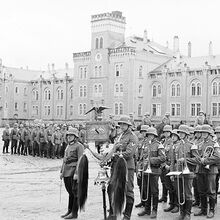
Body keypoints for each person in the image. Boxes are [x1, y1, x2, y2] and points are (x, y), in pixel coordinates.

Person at [102, 115, 138, 220]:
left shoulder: (133, 137)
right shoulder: (119, 136)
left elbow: (129, 153)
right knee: (111, 188)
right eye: (121, 124)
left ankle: (127, 215)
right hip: (116, 166)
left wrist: (115, 154)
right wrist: (106, 157)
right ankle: (113, 212)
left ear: (128, 125)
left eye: (124, 124)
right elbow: (114, 149)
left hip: (127, 167)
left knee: (128, 190)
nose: (122, 126)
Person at [137, 127, 165, 219]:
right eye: (148, 135)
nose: (149, 136)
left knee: (154, 191)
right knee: (146, 190)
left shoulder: (158, 145)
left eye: (151, 135)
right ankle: (147, 209)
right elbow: (141, 158)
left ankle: (154, 210)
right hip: (145, 171)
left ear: (155, 136)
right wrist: (140, 169)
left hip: (154, 171)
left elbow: (162, 158)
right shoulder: (145, 144)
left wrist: (151, 160)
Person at [194, 124, 220, 218]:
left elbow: (217, 157)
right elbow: (196, 156)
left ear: (209, 133)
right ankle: (203, 210)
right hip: (200, 170)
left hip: (211, 170)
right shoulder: (199, 144)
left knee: (211, 191)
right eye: (202, 132)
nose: (204, 134)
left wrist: (205, 160)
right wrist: (199, 159)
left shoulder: (214, 144)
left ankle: (212, 210)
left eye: (205, 132)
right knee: (201, 190)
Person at [174, 125, 198, 220]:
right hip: (179, 172)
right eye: (179, 133)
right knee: (180, 193)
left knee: (187, 193)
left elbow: (197, 159)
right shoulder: (177, 145)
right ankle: (182, 213)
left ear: (186, 134)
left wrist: (185, 160)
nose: (180, 134)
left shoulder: (192, 145)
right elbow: (173, 160)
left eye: (182, 133)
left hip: (188, 173)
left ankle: (187, 214)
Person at [60, 127, 84, 219]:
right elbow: (64, 160)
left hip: (73, 172)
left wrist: (77, 173)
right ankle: (69, 210)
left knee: (75, 192)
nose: (69, 137)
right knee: (70, 192)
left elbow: (80, 160)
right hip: (66, 171)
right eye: (68, 135)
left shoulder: (79, 146)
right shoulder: (68, 146)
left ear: (75, 136)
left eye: (71, 135)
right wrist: (61, 171)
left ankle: (74, 213)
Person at [135, 125, 149, 208]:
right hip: (139, 165)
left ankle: (146, 202)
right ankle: (142, 201)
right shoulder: (140, 141)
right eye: (142, 132)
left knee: (146, 185)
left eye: (145, 132)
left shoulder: (149, 142)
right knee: (140, 184)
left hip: (145, 165)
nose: (144, 133)